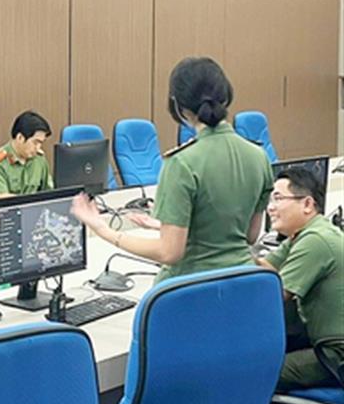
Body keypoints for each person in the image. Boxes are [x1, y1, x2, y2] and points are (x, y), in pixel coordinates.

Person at [71, 57, 273, 283]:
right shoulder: (259, 157)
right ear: (226, 95)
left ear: (179, 107)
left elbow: (170, 252)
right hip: (242, 282)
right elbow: (249, 236)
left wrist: (103, 229)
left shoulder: (181, 163)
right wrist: (170, 226)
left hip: (190, 289)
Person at [256, 167, 343, 391]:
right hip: (324, 343)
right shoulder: (307, 233)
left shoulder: (315, 241)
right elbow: (266, 267)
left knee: (256, 373)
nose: (270, 208)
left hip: (335, 356)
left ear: (307, 204)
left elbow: (275, 296)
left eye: (278, 198)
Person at [0, 110, 54, 210]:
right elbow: (3, 201)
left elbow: (49, 193)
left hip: (32, 215)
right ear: (20, 138)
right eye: (35, 143)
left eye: (41, 143)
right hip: (2, 216)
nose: (38, 148)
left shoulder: (39, 159)